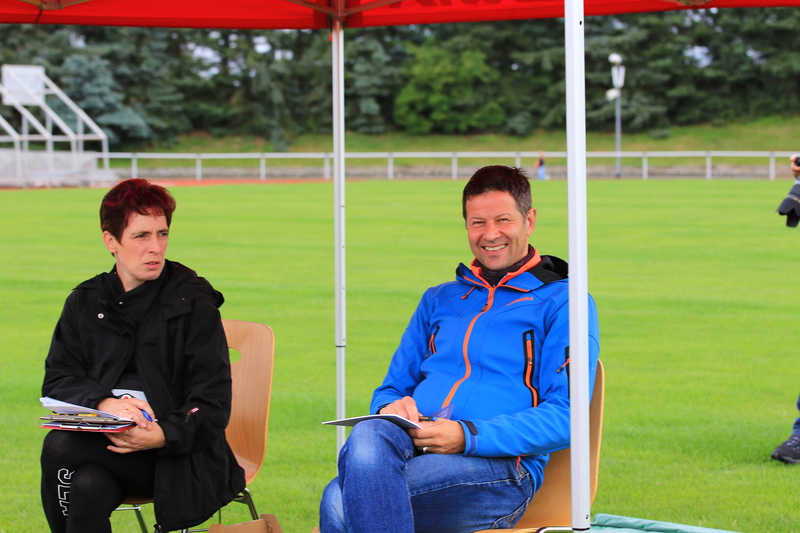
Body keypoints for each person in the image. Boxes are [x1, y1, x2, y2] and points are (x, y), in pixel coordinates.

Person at [318, 165, 600, 533]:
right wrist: (390, 408)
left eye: (503, 220)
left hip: (501, 468)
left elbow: (567, 416)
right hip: (413, 447)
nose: (490, 234)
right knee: (368, 432)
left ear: (529, 220)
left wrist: (466, 435)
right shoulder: (439, 299)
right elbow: (390, 389)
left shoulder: (565, 302)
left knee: (339, 502)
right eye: (477, 223)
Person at [40, 178, 245, 533]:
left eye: (162, 234)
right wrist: (106, 403)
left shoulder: (193, 304)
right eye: (141, 236)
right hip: (104, 444)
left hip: (177, 454)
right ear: (111, 241)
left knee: (59, 446)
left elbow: (211, 403)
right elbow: (59, 379)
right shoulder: (85, 301)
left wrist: (162, 434)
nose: (155, 248)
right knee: (87, 485)